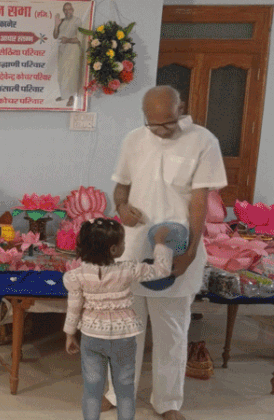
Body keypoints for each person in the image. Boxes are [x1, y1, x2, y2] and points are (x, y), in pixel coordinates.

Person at [105, 86, 227, 420]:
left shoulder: (204, 142)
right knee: (127, 327)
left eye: (168, 123)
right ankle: (117, 393)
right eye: (153, 124)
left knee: (172, 331)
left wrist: (189, 252)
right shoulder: (133, 139)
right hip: (134, 248)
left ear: (181, 109)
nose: (160, 130)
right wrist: (120, 206)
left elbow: (200, 202)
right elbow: (121, 184)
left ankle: (168, 402)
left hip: (176, 250)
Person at [64, 218, 173, 420]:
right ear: (114, 249)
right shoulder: (127, 270)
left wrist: (70, 333)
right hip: (124, 337)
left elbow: (74, 307)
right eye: (123, 243)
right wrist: (160, 244)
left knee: (92, 388)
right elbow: (162, 270)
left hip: (92, 336)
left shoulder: (77, 276)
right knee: (125, 389)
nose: (125, 246)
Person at [53, 2, 84, 108]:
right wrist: (56, 25)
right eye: (65, 10)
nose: (67, 12)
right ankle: (64, 95)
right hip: (62, 51)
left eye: (69, 9)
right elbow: (55, 35)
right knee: (62, 74)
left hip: (73, 50)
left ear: (73, 10)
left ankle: (71, 97)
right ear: (63, 11)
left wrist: (68, 40)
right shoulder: (61, 21)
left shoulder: (77, 21)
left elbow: (80, 39)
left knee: (71, 74)